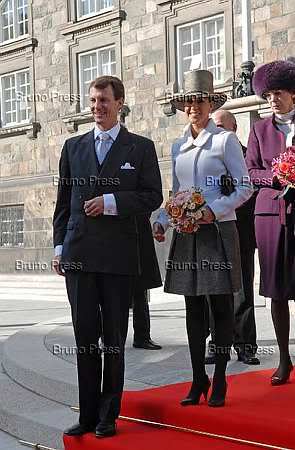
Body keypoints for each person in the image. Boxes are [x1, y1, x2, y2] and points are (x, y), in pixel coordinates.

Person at [52, 75, 163, 437]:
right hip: (79, 254)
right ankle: (86, 415)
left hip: (118, 257)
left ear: (120, 103)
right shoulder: (73, 146)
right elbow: (63, 204)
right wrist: (59, 247)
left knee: (113, 337)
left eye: (103, 101)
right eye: (93, 101)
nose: (97, 107)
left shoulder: (140, 147)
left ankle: (107, 414)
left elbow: (152, 196)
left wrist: (112, 202)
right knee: (85, 336)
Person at [153, 69, 253, 407]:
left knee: (221, 307)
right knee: (193, 309)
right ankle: (198, 379)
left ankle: (221, 377)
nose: (195, 107)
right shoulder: (178, 145)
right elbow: (178, 192)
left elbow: (245, 187)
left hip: (218, 231)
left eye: (201, 101)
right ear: (184, 107)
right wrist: (163, 221)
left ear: (211, 104)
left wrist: (215, 210)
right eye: (189, 102)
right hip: (186, 235)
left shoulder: (224, 141)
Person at [246, 60, 295, 385]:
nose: (273, 100)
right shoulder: (258, 130)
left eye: (278, 93)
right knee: (276, 289)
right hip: (269, 216)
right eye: (267, 96)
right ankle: (283, 358)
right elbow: (250, 172)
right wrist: (277, 177)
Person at [205, 109, 259, 365]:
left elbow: (249, 191)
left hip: (242, 233)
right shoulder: (207, 156)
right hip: (213, 232)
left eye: (220, 127)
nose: (216, 132)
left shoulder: (249, 155)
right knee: (214, 291)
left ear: (234, 128)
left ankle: (246, 345)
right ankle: (217, 344)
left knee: (243, 291)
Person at [132, 213, 162, 350]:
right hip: (113, 232)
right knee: (110, 291)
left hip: (138, 230)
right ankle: (107, 338)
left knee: (140, 289)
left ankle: (142, 336)